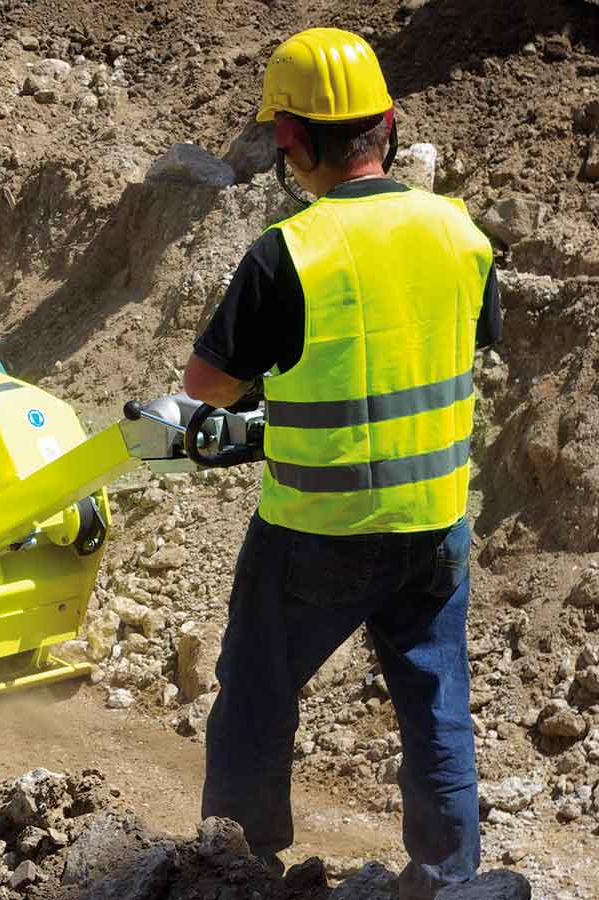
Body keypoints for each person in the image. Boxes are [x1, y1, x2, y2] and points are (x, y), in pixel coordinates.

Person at [181, 27, 503, 899]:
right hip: (434, 524)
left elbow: (207, 385)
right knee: (437, 707)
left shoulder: (291, 251)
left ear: (292, 143)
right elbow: (452, 344)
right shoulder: (459, 232)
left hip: (314, 533)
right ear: (387, 126)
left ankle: (238, 871)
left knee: (257, 696)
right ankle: (450, 879)